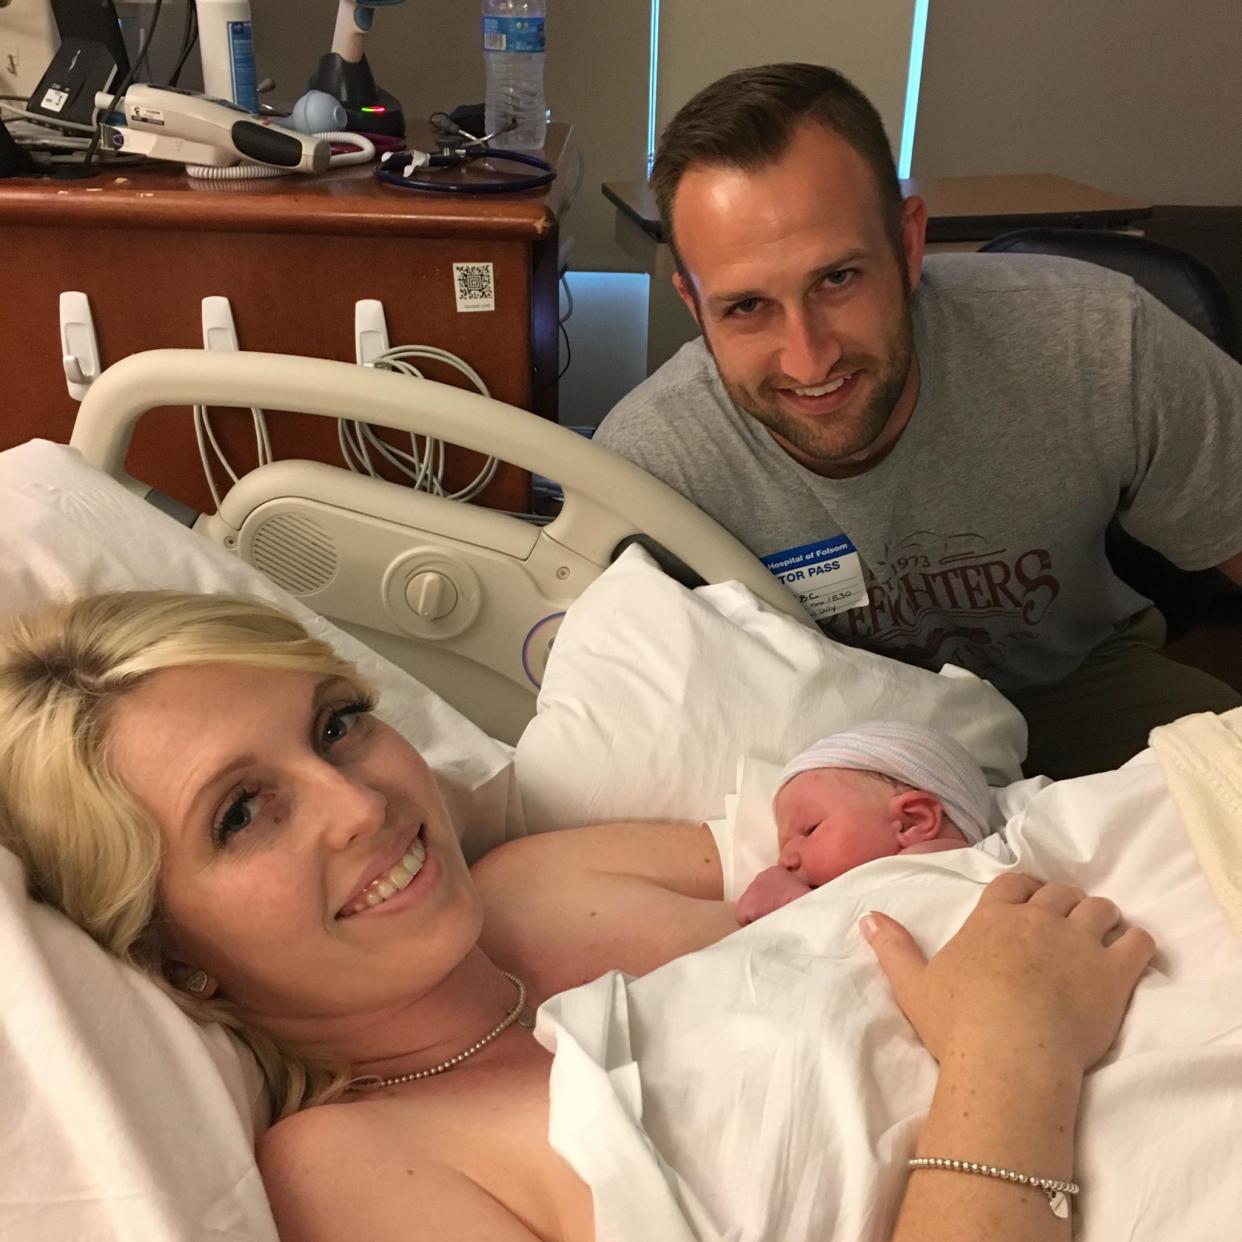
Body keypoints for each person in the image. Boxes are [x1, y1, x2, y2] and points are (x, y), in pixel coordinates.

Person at [0, 590, 1156, 1242]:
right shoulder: (345, 1172)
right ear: (177, 962)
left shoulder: (533, 889)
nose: (361, 804)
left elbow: (888, 845)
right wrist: (1015, 1055)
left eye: (339, 723)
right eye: (244, 811)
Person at [593, 62, 1242, 782]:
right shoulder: (651, 468)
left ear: (907, 245)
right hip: (825, 745)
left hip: (1072, 686)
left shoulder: (1096, 341)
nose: (809, 361)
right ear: (693, 303)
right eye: (746, 307)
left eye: (837, 279)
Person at [737, 720, 992, 924]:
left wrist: (794, 903)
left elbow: (861, 938)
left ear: (912, 821)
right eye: (783, 845)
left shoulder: (947, 872)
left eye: (810, 829)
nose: (785, 860)